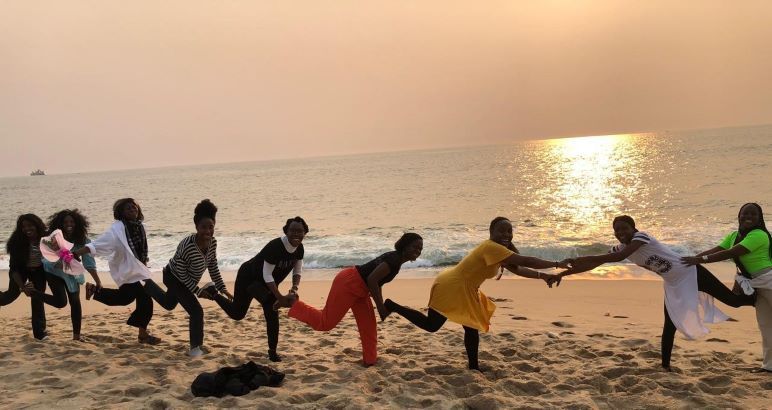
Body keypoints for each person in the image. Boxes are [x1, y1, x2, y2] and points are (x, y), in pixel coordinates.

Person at [556, 215, 754, 371]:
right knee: (670, 324)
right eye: (617, 230)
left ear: (634, 228)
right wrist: (565, 272)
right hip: (674, 283)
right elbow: (598, 262)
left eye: (624, 228)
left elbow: (618, 257)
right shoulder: (620, 246)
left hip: (690, 271)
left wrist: (583, 257)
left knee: (733, 301)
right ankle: (665, 366)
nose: (621, 232)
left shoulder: (642, 237)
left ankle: (754, 291)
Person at [386, 217, 567, 371]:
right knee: (432, 325)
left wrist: (543, 276)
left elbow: (519, 269)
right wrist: (557, 263)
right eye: (501, 231)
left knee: (470, 326)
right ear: (491, 232)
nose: (506, 235)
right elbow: (527, 260)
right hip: (452, 286)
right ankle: (392, 306)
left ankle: (473, 366)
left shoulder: (500, 251)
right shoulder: (491, 247)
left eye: (509, 231)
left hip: (465, 287)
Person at [282, 233, 424, 366]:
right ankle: (294, 303)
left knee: (368, 326)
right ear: (405, 246)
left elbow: (376, 282)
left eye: (420, 248)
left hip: (361, 289)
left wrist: (380, 305)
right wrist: (380, 307)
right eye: (415, 247)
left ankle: (370, 361)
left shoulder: (396, 259)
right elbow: (372, 279)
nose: (418, 251)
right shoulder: (394, 260)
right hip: (349, 283)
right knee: (325, 323)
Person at [681, 203, 772, 373]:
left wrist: (700, 261)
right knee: (766, 325)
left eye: (753, 214)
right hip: (754, 284)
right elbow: (717, 249)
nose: (748, 217)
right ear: (739, 216)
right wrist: (690, 259)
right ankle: (769, 366)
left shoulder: (759, 235)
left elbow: (731, 253)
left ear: (760, 218)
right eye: (745, 214)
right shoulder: (733, 235)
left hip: (768, 280)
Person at [210, 217, 308, 362]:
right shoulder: (275, 247)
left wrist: (294, 289)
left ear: (305, 233)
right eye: (292, 230)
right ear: (286, 231)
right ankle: (213, 293)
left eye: (300, 231)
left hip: (265, 283)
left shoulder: (299, 249)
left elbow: (297, 270)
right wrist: (279, 297)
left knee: (271, 309)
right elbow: (267, 274)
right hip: (249, 277)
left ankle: (272, 352)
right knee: (238, 314)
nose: (296, 234)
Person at [143, 199, 232, 357]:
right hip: (173, 276)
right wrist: (197, 291)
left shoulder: (213, 243)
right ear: (196, 227)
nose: (207, 231)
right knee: (196, 311)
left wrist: (223, 289)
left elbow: (212, 266)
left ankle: (148, 285)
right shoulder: (187, 245)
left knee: (169, 304)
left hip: (186, 280)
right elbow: (181, 274)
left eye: (211, 227)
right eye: (203, 227)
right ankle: (195, 348)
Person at [72, 198, 161, 344]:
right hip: (126, 271)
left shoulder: (139, 226)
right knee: (143, 299)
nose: (133, 209)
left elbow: (140, 249)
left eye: (134, 207)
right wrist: (76, 253)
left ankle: (94, 290)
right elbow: (96, 245)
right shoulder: (116, 230)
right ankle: (143, 335)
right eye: (128, 208)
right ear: (121, 213)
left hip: (136, 269)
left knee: (127, 298)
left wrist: (143, 262)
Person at [1, 214, 67, 340]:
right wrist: (23, 286)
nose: (27, 229)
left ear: (37, 225)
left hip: (38, 271)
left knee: (37, 297)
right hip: (20, 271)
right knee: (8, 297)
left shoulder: (47, 237)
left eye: (30, 225)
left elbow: (60, 251)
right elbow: (14, 268)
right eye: (23, 226)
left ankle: (40, 334)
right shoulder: (16, 242)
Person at [42, 209, 102, 341]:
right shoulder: (54, 238)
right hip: (54, 273)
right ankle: (34, 294)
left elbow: (89, 263)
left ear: (78, 223)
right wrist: (57, 262)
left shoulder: (83, 240)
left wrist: (98, 280)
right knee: (61, 302)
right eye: (65, 222)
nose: (69, 224)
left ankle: (76, 336)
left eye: (72, 221)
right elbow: (46, 257)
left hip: (72, 275)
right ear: (60, 224)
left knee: (75, 302)